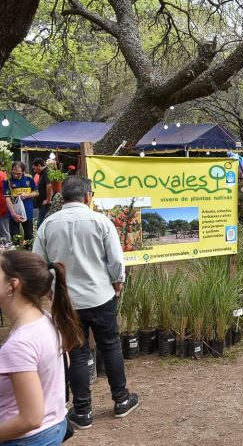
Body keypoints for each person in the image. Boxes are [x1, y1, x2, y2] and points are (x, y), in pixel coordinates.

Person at [32, 176, 139, 429]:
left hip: (66, 302)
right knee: (110, 346)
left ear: (63, 197)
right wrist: (117, 281)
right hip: (100, 296)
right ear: (88, 196)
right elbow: (115, 259)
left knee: (77, 353)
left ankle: (82, 411)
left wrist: (50, 291)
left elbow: (37, 264)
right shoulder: (101, 221)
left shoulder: (48, 225)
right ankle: (122, 400)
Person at [0, 250, 83, 445]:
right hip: (54, 427)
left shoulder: (19, 344)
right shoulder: (45, 319)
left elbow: (31, 419)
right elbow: (64, 364)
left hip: (26, 439)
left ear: (12, 285)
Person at [3, 161, 38, 243]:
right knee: (15, 239)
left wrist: (27, 195)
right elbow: (7, 199)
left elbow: (36, 192)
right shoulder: (7, 180)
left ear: (23, 171)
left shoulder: (29, 178)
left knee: (29, 238)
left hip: (27, 212)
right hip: (13, 214)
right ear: (11, 170)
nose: (16, 175)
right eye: (14, 173)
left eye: (18, 173)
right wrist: (14, 215)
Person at [31, 158, 52, 227]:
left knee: (40, 224)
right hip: (42, 204)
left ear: (39, 166)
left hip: (45, 205)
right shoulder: (42, 173)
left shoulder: (46, 172)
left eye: (34, 168)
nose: (34, 171)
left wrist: (48, 200)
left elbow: (49, 186)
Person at [0, 168, 9, 243]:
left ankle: (6, 251)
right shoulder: (3, 175)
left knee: (4, 231)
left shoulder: (1, 176)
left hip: (2, 207)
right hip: (3, 206)